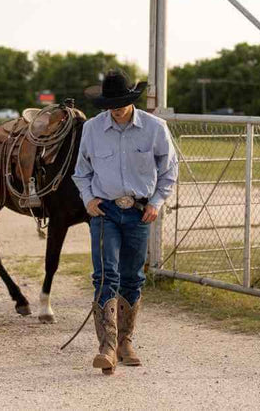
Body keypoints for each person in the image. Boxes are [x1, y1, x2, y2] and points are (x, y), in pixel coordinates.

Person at [72, 69, 178, 375]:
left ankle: (125, 342)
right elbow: (81, 171)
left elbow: (169, 170)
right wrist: (88, 200)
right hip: (104, 212)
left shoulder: (155, 128)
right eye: (110, 103)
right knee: (105, 275)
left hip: (139, 211)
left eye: (120, 102)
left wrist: (157, 202)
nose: (116, 108)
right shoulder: (92, 129)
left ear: (131, 100)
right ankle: (106, 347)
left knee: (132, 277)